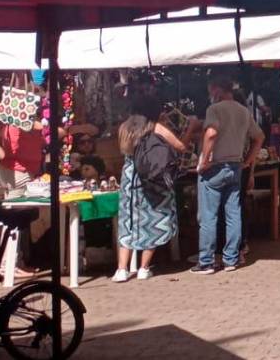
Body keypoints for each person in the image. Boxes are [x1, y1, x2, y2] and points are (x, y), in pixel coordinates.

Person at [193, 75, 265, 274]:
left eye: (211, 91)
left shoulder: (214, 110)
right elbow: (259, 137)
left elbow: (211, 133)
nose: (210, 95)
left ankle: (206, 261)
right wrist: (249, 160)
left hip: (215, 166)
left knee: (209, 216)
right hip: (235, 166)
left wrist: (204, 159)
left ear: (216, 89)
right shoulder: (243, 111)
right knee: (233, 214)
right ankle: (231, 258)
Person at [113, 101, 189, 282]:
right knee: (154, 219)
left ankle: (121, 270)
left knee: (128, 220)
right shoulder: (155, 127)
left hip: (129, 177)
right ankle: (143, 268)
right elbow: (180, 146)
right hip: (152, 179)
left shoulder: (124, 128)